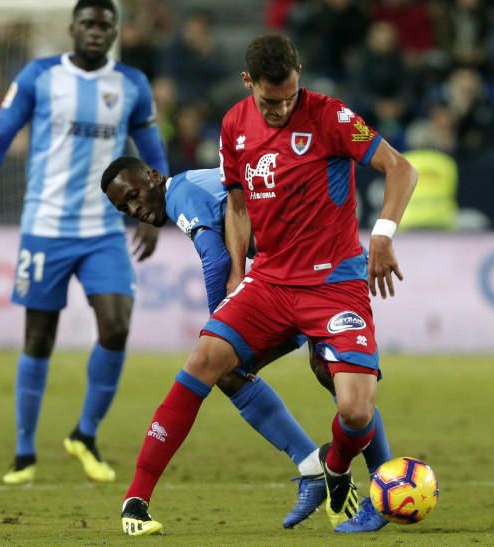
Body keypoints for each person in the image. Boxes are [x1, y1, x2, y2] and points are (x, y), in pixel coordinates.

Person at [117, 34, 417, 536]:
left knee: (355, 406)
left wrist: (383, 235)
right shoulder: (234, 125)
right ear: (247, 82)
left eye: (289, 97)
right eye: (269, 101)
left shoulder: (332, 117)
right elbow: (236, 205)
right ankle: (136, 500)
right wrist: (238, 270)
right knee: (206, 360)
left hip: (335, 284)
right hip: (271, 283)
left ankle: (336, 469)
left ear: (298, 75)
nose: (280, 110)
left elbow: (400, 169)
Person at [100, 156, 395, 528]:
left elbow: (215, 258)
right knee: (306, 372)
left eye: (133, 196)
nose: (134, 209)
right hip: (294, 275)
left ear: (154, 177)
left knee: (229, 365)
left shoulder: (183, 193)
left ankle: (349, 475)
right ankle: (338, 472)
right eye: (123, 207)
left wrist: (220, 321)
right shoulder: (198, 184)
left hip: (328, 275)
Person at [0, 0, 168, 485]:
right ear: (72, 28)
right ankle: (24, 453)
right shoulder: (39, 76)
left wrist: (158, 210)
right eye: (88, 24)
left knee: (116, 327)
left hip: (103, 231)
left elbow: (152, 151)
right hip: (45, 228)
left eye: (105, 25)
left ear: (115, 31)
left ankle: (85, 435)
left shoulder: (131, 84)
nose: (96, 32)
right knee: (39, 338)